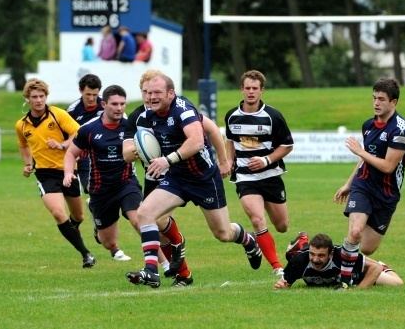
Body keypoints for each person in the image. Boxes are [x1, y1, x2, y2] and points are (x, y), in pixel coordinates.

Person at [123, 73, 262, 288]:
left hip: (203, 178)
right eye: (148, 93)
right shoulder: (143, 117)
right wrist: (139, 151)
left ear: (171, 93)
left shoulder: (183, 109)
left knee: (223, 233)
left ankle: (248, 240)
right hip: (176, 178)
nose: (151, 97)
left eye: (157, 92)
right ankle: (151, 270)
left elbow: (197, 141)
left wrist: (222, 160)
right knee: (145, 214)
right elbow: (132, 151)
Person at [333, 78, 405, 287]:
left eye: (382, 99)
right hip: (363, 186)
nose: (376, 103)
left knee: (367, 248)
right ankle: (344, 280)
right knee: (355, 232)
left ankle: (373, 266)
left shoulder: (402, 130)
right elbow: (364, 159)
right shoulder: (368, 125)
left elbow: (387, 166)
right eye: (374, 98)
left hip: (386, 193)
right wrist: (349, 183)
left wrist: (360, 151)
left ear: (393, 102)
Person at [15, 78, 95, 268]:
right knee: (59, 214)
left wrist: (62, 145)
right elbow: (23, 145)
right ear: (27, 99)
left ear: (46, 97)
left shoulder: (58, 115)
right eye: (34, 97)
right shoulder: (22, 125)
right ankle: (86, 254)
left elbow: (78, 134)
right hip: (44, 173)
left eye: (42, 96)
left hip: (68, 170)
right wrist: (27, 164)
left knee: (78, 216)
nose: (38, 100)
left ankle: (71, 230)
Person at [225, 69, 294, 278]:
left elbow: (287, 145)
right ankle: (277, 267)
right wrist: (229, 161)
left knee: (282, 226)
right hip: (246, 178)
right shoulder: (232, 116)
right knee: (257, 220)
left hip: (271, 175)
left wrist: (266, 159)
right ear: (241, 89)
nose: (251, 92)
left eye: (255, 88)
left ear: (262, 91)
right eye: (247, 88)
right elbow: (229, 141)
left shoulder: (273, 116)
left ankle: (297, 243)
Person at [63, 85, 141, 262]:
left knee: (138, 220)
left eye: (122, 104)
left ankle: (163, 264)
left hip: (126, 181)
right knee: (107, 241)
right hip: (97, 179)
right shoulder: (84, 124)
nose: (119, 108)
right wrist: (68, 173)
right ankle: (110, 242)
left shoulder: (130, 125)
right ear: (104, 104)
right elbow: (70, 149)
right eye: (115, 104)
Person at [274, 232, 403, 289]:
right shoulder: (299, 261)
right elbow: (285, 284)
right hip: (300, 255)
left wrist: (359, 290)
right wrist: (281, 286)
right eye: (312, 254)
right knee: (291, 255)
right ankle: (301, 243)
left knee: (397, 283)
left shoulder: (342, 256)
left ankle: (378, 262)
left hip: (358, 276)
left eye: (321, 255)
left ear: (330, 254)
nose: (315, 259)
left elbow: (376, 269)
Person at [67, 74, 103, 194]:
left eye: (95, 95)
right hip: (84, 157)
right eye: (88, 94)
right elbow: (68, 135)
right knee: (91, 188)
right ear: (81, 90)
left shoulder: (106, 105)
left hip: (105, 153)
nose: (92, 98)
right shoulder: (73, 110)